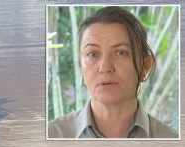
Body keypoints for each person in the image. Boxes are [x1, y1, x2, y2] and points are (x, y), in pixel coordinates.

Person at [48, 6, 178, 139]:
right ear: (80, 67)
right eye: (93, 54)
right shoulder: (51, 137)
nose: (105, 67)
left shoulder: (173, 143)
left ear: (145, 66)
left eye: (121, 53)